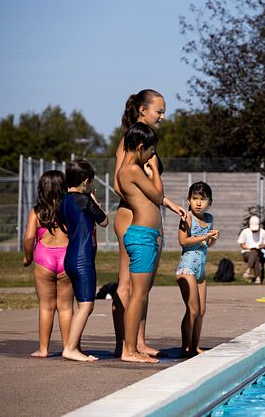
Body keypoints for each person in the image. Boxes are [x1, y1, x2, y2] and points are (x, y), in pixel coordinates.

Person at [112, 89, 187, 359]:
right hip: (131, 217)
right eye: (159, 110)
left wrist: (166, 203)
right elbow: (119, 185)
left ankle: (138, 341)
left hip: (146, 218)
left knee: (142, 287)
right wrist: (144, 202)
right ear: (143, 110)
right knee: (127, 285)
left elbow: (152, 189)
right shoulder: (130, 142)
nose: (163, 116)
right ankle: (125, 344)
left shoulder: (147, 142)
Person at [116, 122, 164, 364]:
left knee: (139, 295)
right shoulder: (132, 170)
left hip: (145, 236)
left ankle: (131, 347)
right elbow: (157, 195)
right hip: (142, 236)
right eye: (151, 151)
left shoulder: (129, 169)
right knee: (138, 296)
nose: (152, 155)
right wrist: (154, 170)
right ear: (142, 146)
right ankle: (129, 349)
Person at [59, 160, 109, 361]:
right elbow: (104, 220)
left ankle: (73, 346)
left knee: (81, 305)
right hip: (83, 258)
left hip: (70, 257)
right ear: (86, 181)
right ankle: (70, 348)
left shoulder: (64, 201)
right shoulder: (84, 200)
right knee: (86, 305)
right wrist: (95, 202)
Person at [22, 170, 73, 357]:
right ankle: (69, 347)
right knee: (66, 306)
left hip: (44, 259)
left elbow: (28, 238)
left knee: (46, 306)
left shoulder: (37, 212)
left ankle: (43, 349)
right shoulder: (69, 210)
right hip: (67, 257)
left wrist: (28, 257)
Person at [176, 182, 219, 358]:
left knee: (201, 311)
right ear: (189, 199)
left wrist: (212, 239)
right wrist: (204, 236)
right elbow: (183, 241)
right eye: (195, 199)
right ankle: (185, 347)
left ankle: (195, 346)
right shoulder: (186, 217)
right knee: (192, 309)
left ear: (210, 201)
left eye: (203, 199)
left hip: (200, 270)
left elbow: (206, 244)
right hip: (187, 269)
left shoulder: (209, 219)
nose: (198, 203)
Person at [237, 215, 265, 284]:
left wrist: (261, 246)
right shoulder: (245, 231)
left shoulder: (263, 232)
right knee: (255, 255)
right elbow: (242, 244)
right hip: (247, 252)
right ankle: (258, 278)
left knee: (255, 252)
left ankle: (248, 270)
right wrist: (249, 248)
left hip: (259, 251)